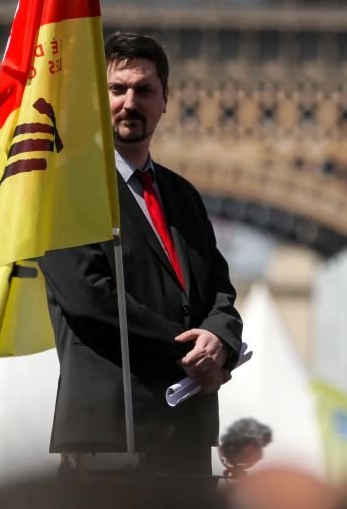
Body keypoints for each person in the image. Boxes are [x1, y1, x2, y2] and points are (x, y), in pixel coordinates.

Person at [38, 32, 242, 478]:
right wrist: (188, 349)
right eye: (117, 89)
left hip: (185, 433)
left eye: (145, 90)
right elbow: (88, 299)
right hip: (112, 435)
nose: (131, 102)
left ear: (165, 99)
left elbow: (219, 291)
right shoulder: (65, 188)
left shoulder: (181, 195)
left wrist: (220, 340)